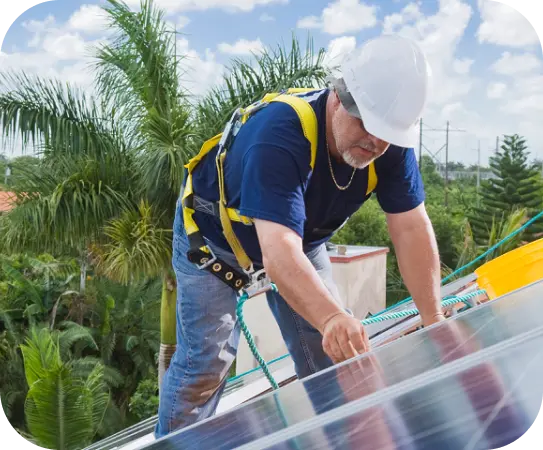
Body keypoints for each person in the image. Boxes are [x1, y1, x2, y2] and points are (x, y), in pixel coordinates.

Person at [155, 34, 445, 438]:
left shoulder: (390, 143)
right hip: (215, 243)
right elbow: (279, 253)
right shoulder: (280, 134)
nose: (375, 143)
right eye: (367, 125)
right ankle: (175, 445)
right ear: (339, 96)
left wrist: (435, 321)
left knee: (335, 357)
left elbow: (411, 227)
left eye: (387, 134)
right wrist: (331, 317)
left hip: (299, 244)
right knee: (205, 364)